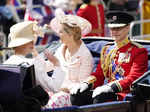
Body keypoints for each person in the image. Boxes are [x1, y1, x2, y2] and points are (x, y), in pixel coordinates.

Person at [70, 11, 148, 106]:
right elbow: (99, 75)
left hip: (124, 94)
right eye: (112, 29)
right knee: (77, 95)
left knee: (101, 97)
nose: (114, 32)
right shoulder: (107, 49)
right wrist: (86, 83)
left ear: (127, 28)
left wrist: (111, 87)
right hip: (107, 91)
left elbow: (134, 77)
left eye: (118, 28)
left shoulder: (138, 51)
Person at [43, 14, 94, 108]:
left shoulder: (85, 55)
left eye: (61, 32)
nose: (58, 34)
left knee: (55, 100)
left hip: (71, 96)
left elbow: (82, 85)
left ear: (71, 34)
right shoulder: (61, 49)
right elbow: (48, 66)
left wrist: (61, 87)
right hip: (56, 90)